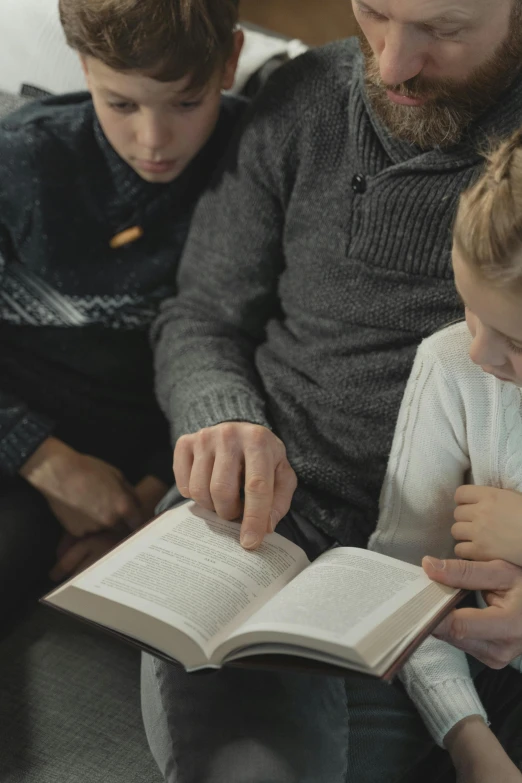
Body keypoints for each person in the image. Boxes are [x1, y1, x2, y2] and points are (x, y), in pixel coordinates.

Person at [145, 0, 522, 781]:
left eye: (443, 31)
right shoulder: (302, 100)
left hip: (451, 576)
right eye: (375, 13)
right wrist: (225, 418)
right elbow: (201, 314)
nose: (390, 64)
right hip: (265, 523)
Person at [0, 0, 245, 617]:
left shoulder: (256, 161)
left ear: (231, 61)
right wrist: (41, 459)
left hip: (146, 476)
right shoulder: (22, 161)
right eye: (122, 104)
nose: (154, 141)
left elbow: (260, 345)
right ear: (84, 68)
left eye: (186, 103)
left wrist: (149, 501)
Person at [369, 130, 522, 782]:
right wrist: (473, 746)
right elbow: (407, 582)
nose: (480, 353)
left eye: (515, 340)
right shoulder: (450, 368)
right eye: (469, 310)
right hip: (481, 694)